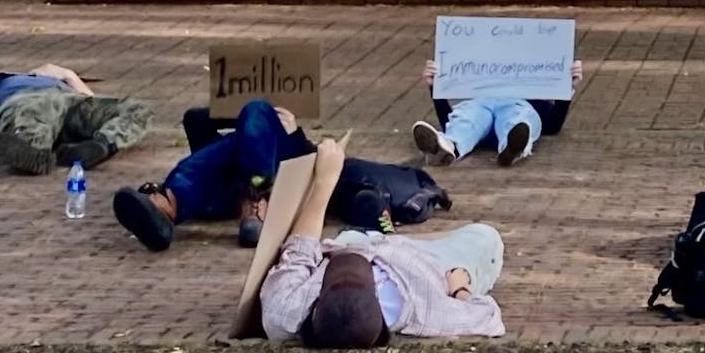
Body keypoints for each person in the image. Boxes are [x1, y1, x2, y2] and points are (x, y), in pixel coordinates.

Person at [260, 138, 505, 348]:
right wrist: (459, 289)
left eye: (337, 277)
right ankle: (386, 219)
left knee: (355, 229)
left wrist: (325, 181)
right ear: (377, 297)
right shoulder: (431, 313)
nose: (351, 268)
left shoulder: (284, 314)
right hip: (432, 267)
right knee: (485, 237)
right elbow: (489, 317)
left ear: (316, 304)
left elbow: (301, 248)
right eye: (358, 276)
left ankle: (376, 216)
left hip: (349, 243)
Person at [113, 102, 453, 252]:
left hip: (286, 175)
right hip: (233, 189)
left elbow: (327, 171)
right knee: (240, 131)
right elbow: (197, 120)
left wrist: (294, 133)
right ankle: (176, 208)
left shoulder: (354, 175)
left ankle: (170, 202)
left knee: (257, 110)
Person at [0, 64, 152, 174]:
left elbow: (90, 100)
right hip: (23, 102)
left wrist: (69, 75)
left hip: (69, 100)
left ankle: (102, 144)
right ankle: (34, 151)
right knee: (33, 115)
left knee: (137, 109)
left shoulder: (57, 78)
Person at [411, 59, 583, 167]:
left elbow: (552, 126)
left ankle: (512, 148)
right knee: (468, 117)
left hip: (517, 108)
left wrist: (567, 89)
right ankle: (446, 147)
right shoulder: (475, 86)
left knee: (518, 117)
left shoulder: (536, 95)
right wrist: (436, 86)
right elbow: (452, 120)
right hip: (482, 106)